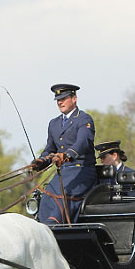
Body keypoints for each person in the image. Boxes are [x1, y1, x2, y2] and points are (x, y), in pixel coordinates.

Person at [30, 83, 97, 225]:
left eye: (64, 98)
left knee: (64, 194)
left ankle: (53, 225)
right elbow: (50, 149)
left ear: (74, 99)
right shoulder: (53, 124)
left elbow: (83, 142)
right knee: (47, 195)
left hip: (82, 170)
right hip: (63, 172)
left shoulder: (84, 119)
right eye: (58, 100)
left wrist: (66, 155)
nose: (60, 102)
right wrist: (41, 161)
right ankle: (42, 226)